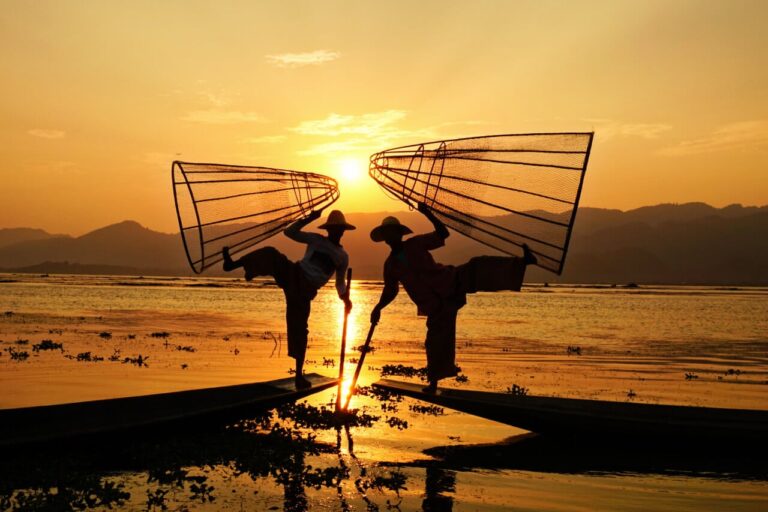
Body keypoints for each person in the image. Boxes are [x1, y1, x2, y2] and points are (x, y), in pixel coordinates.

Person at [369, 202, 537, 393]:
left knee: (479, 265)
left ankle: (523, 262)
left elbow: (443, 234)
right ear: (385, 239)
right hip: (435, 306)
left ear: (399, 234)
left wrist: (429, 214)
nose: (392, 236)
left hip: (451, 280)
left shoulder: (416, 243)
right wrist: (378, 308)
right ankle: (433, 383)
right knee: (434, 342)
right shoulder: (391, 265)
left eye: (394, 232)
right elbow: (390, 291)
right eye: (388, 234)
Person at [222, 209, 355, 389]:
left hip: (305, 291)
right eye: (333, 228)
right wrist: (309, 218)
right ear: (328, 229)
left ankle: (299, 376)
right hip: (294, 273)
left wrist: (345, 299)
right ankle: (234, 264)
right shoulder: (316, 239)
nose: (336, 231)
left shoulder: (342, 256)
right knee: (270, 253)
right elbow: (289, 233)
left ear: (343, 231)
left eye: (339, 229)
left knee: (300, 330)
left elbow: (340, 283)